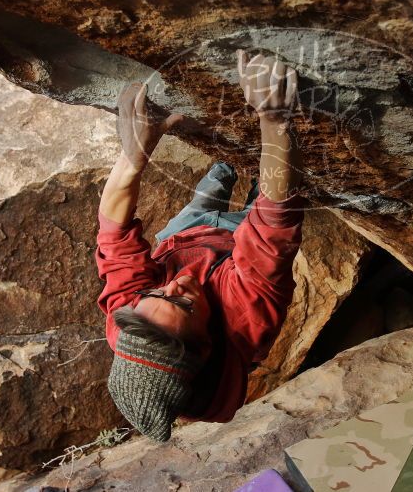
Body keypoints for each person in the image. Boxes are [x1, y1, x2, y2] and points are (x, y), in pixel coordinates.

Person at [96, 50, 303, 441]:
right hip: (237, 253)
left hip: (185, 237)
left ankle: (229, 154)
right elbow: (276, 217)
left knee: (213, 181)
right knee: (265, 184)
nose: (178, 282)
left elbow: (112, 234)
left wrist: (132, 157)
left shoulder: (132, 322)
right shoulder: (248, 319)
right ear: (205, 344)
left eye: (158, 291)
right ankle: (252, 153)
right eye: (184, 303)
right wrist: (275, 118)